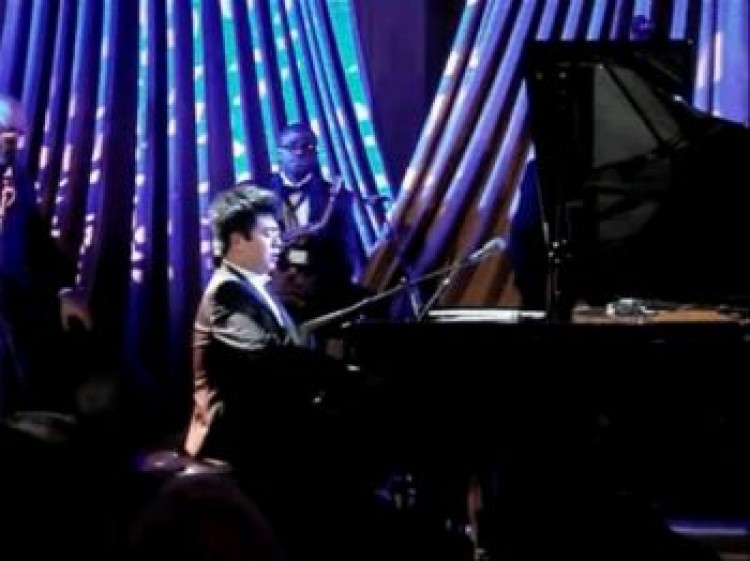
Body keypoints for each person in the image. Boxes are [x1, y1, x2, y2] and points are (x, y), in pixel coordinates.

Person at [0, 94, 92, 416]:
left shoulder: (16, 177)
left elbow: (37, 241)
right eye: (7, 132)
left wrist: (65, 290)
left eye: (19, 135)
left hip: (16, 310)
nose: (15, 143)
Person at [267, 123, 363, 329]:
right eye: (292, 146)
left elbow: (346, 254)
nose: (301, 152)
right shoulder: (256, 196)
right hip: (272, 293)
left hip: (321, 294)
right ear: (279, 153)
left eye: (308, 146)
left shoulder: (339, 197)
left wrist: (314, 283)